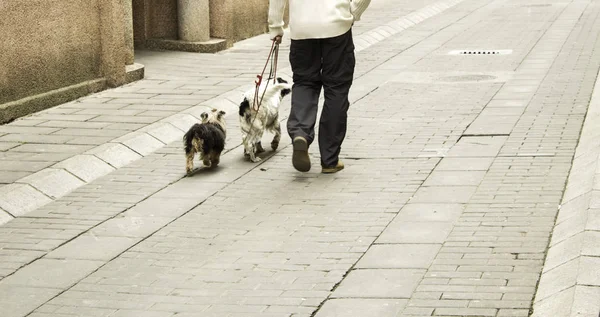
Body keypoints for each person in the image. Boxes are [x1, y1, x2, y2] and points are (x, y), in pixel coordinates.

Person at [268, 0, 371, 173]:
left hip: (302, 28)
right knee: (336, 88)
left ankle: (300, 132)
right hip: (337, 25)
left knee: (304, 82)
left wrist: (275, 25)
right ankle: (329, 160)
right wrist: (354, 12)